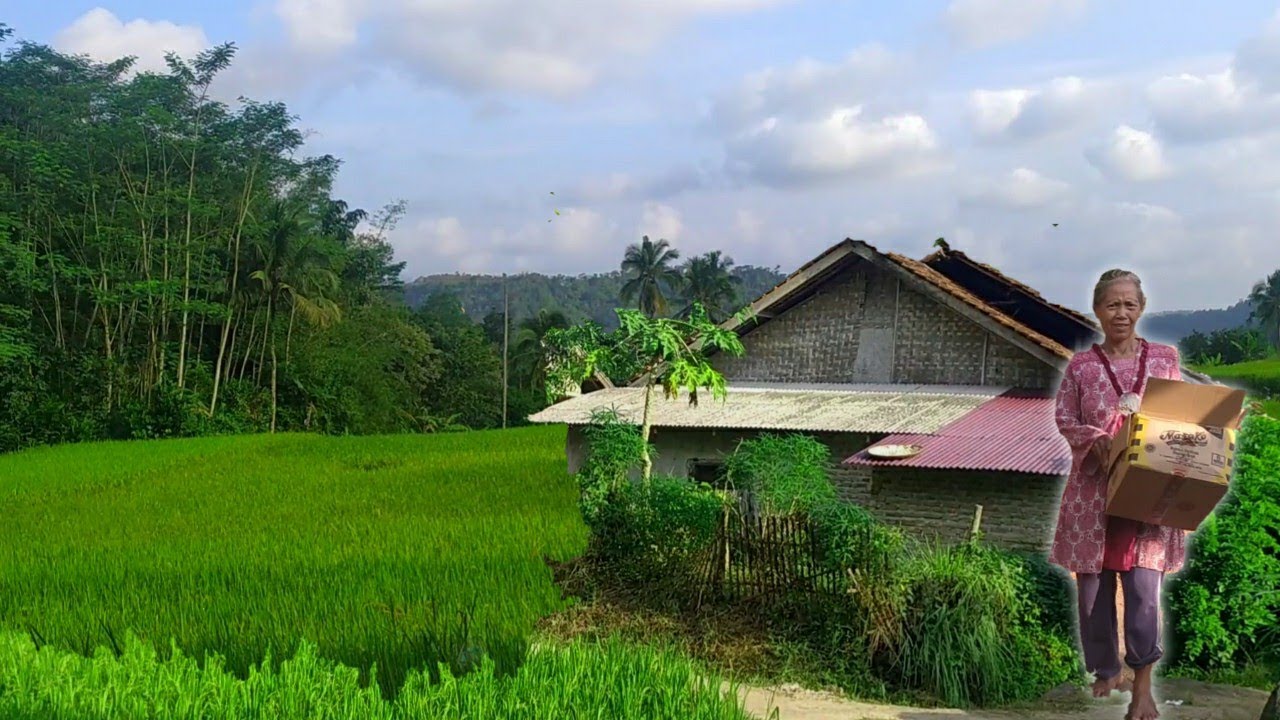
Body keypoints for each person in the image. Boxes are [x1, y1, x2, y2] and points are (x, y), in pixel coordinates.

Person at [1048, 268, 1186, 720]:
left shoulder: (1165, 359)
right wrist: (1098, 439)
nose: (1121, 313)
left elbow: (1182, 418)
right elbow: (1065, 418)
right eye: (1112, 304)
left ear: (1141, 308)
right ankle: (1108, 668)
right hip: (1094, 494)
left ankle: (1143, 690)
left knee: (1145, 593)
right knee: (1093, 593)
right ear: (1098, 310)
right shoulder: (1082, 367)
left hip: (1147, 496)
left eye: (1129, 304)